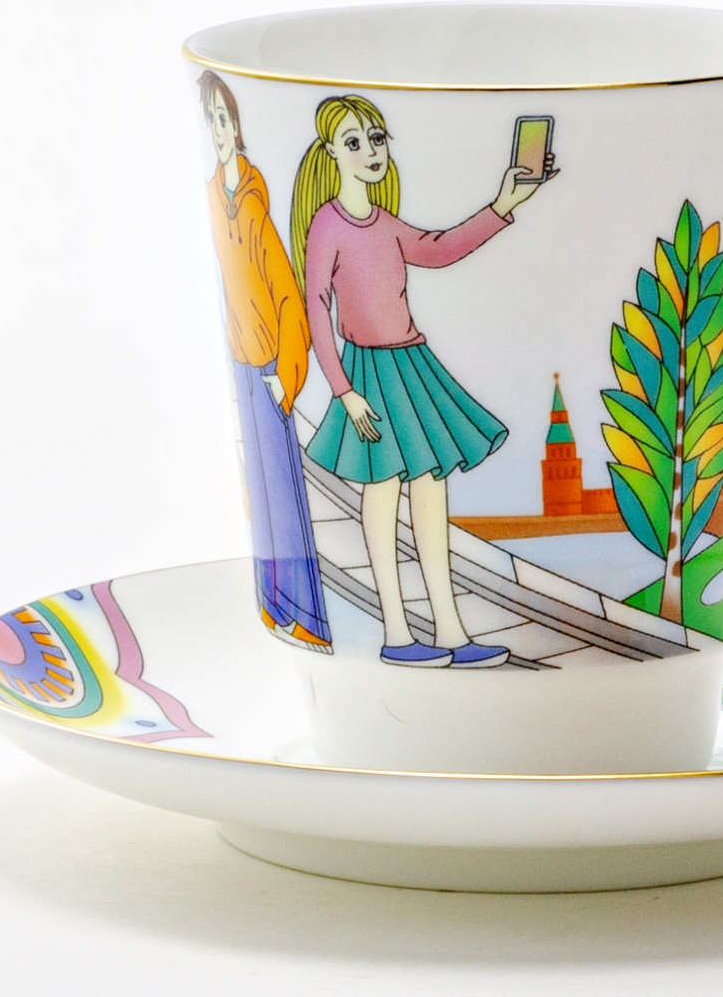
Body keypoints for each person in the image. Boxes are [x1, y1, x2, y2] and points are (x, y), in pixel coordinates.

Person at [292, 94, 555, 667]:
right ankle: (395, 632)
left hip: (413, 365)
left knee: (432, 489)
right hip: (369, 372)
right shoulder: (327, 225)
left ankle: (451, 631)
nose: (370, 151)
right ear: (330, 153)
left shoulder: (383, 222)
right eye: (353, 142)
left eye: (376, 138)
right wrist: (343, 390)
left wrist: (503, 204)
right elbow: (316, 307)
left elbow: (437, 251)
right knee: (383, 492)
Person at [199, 70, 331, 653]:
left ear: (238, 125)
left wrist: (289, 370)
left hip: (270, 361)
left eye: (224, 117)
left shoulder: (253, 202)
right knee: (262, 480)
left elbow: (285, 289)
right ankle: (276, 603)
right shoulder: (216, 195)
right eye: (210, 119)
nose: (217, 129)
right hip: (240, 357)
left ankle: (307, 614)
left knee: (282, 484)